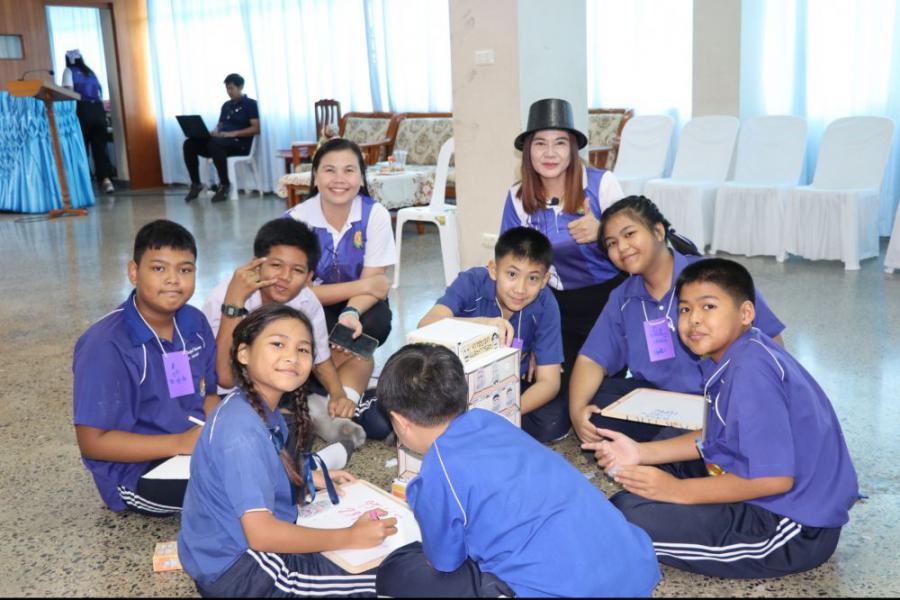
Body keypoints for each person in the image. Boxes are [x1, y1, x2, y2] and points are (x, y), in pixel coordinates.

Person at [584, 259, 859, 579]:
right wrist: (640, 452)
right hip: (764, 488)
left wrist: (676, 491)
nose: (694, 319)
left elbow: (775, 480)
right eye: (684, 309)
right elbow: (718, 434)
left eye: (709, 306)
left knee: (625, 517)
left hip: (790, 525)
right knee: (653, 469)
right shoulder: (741, 351)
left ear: (746, 313)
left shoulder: (750, 372)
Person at [374, 344, 660, 597]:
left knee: (397, 571)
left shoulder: (439, 469)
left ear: (400, 421)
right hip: (633, 568)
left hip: (567, 589)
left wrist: (422, 500)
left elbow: (445, 562)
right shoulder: (488, 420)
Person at [178, 304, 397, 597]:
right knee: (393, 578)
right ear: (244, 353)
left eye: (303, 349)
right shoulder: (241, 431)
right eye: (278, 344)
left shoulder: (255, 408)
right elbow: (262, 535)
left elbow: (262, 468)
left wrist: (305, 476)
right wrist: (349, 537)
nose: (292, 356)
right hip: (245, 573)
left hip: (223, 557)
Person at [570, 196, 785, 443]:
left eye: (629, 234)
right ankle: (670, 445)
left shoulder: (714, 276)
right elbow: (592, 358)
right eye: (612, 243)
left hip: (720, 398)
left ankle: (674, 448)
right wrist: (577, 413)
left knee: (713, 437)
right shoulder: (623, 296)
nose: (622, 247)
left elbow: (771, 341)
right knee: (595, 404)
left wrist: (762, 399)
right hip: (659, 401)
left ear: (658, 232)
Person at [73, 220, 219, 515]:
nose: (173, 280)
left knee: (273, 431)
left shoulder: (193, 322)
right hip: (135, 472)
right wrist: (180, 443)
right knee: (229, 487)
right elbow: (92, 443)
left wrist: (219, 431)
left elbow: (209, 396)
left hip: (191, 444)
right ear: (133, 272)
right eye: (159, 268)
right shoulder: (105, 345)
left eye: (185, 270)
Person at [501, 97, 627, 439]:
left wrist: (604, 232)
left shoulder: (602, 184)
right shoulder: (518, 197)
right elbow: (513, 271)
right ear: (528, 151)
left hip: (609, 307)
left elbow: (639, 249)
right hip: (555, 310)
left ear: (572, 149)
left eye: (559, 143)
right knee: (552, 420)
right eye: (540, 143)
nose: (549, 153)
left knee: (600, 406)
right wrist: (531, 341)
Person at [202, 218, 378, 449]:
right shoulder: (224, 296)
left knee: (362, 359)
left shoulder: (307, 300)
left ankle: (329, 409)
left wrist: (338, 394)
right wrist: (234, 304)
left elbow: (321, 359)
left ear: (309, 278)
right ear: (256, 265)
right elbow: (224, 378)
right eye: (276, 265)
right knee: (281, 437)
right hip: (235, 391)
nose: (284, 277)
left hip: (286, 377)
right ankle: (310, 411)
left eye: (297, 270)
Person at [417, 226, 566, 442]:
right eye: (512, 274)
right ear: (494, 270)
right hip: (454, 383)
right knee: (395, 414)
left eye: (533, 278)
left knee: (553, 421)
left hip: (507, 388)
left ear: (545, 280)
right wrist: (483, 324)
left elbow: (550, 382)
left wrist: (508, 411)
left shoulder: (546, 304)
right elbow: (425, 325)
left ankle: (472, 426)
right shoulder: (471, 282)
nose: (520, 289)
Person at [284, 137, 395, 359]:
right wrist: (367, 285)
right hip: (310, 303)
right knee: (313, 324)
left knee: (376, 322)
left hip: (359, 301)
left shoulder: (375, 214)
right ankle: (332, 369)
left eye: (349, 170)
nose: (339, 179)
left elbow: (374, 286)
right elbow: (297, 293)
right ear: (315, 176)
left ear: (361, 178)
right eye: (329, 170)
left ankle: (337, 368)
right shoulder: (296, 220)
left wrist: (351, 312)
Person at [183, 73, 260, 204]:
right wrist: (215, 131)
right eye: (227, 88)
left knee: (214, 144)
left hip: (240, 145)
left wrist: (234, 133)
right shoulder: (226, 105)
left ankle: (224, 185)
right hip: (221, 143)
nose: (229, 91)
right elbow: (221, 124)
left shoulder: (251, 104)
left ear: (240, 87)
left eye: (231, 88)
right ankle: (196, 184)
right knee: (189, 143)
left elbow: (256, 128)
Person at [61, 49, 115, 194]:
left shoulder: (68, 71)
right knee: (100, 149)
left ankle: (84, 184)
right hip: (98, 112)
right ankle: (106, 181)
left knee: (81, 148)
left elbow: (68, 93)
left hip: (82, 111)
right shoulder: (90, 72)